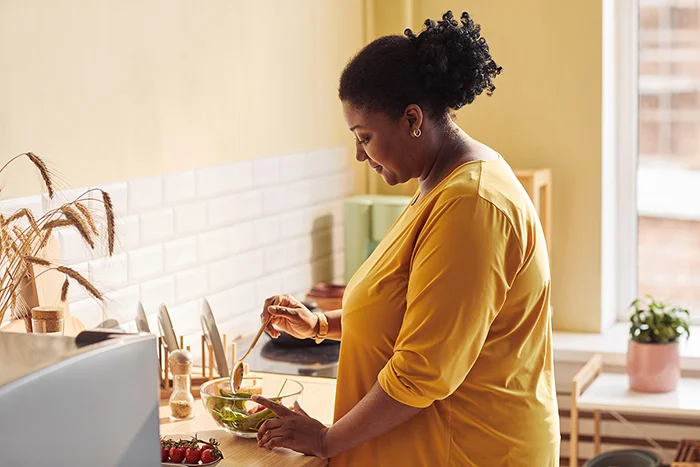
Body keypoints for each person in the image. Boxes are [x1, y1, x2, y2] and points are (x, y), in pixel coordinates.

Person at [252, 10, 560, 466]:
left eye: (365, 136)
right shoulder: (437, 186)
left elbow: (422, 371)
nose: (360, 154)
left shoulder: (472, 204)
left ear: (413, 119)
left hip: (474, 451)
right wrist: (319, 325)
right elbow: (410, 310)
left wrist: (325, 440)